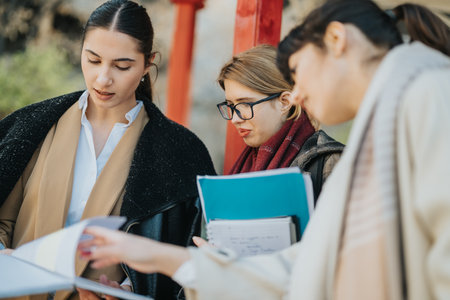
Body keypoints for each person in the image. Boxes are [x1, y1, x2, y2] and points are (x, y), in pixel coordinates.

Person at [78, 0, 450, 299]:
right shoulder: (406, 104)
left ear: (337, 40)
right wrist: (163, 258)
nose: (298, 93)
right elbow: (306, 265)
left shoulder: (429, 93)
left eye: (299, 71)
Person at [0, 0, 215, 299]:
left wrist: (128, 288)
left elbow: (191, 257)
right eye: (93, 60)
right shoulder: (29, 127)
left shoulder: (181, 152)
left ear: (147, 63)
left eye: (122, 66)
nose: (103, 78)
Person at [216, 44, 343, 202]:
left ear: (284, 102)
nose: (235, 119)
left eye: (246, 105)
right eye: (231, 106)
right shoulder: (245, 164)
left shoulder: (331, 163)